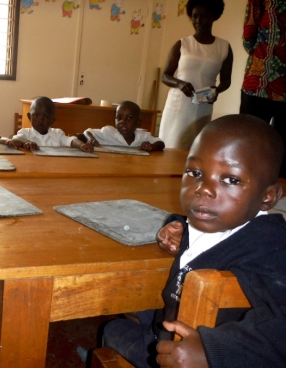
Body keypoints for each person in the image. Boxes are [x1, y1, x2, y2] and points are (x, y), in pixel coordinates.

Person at [103, 114, 286, 367]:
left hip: (183, 354)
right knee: (126, 304)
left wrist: (213, 352)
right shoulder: (222, 218)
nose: (203, 189)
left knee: (112, 329)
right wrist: (174, 226)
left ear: (268, 197)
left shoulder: (270, 249)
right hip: (173, 314)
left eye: (231, 179)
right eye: (195, 172)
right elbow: (198, 226)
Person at [158, 0, 233, 150]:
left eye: (204, 16)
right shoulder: (182, 44)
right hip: (178, 107)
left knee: (195, 149)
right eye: (195, 16)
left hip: (203, 106)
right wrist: (179, 83)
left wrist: (216, 91)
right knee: (170, 147)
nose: (198, 20)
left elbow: (226, 81)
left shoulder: (224, 47)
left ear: (213, 16)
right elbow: (165, 75)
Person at [240, 0, 286, 178]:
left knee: (252, 143)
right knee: (250, 143)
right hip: (259, 82)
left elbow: (248, 38)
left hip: (260, 78)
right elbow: (249, 36)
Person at [12, 96, 93, 152]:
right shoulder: (25, 133)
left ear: (52, 121)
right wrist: (26, 142)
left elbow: (71, 140)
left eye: (46, 117)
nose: (41, 120)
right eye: (36, 115)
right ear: (29, 117)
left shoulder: (57, 134)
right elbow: (16, 138)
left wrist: (81, 145)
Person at [76, 101, 165, 152]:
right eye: (119, 118)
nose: (123, 122)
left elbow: (161, 143)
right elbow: (87, 132)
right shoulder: (108, 132)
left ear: (138, 123)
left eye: (129, 118)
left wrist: (151, 146)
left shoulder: (143, 135)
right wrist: (91, 138)